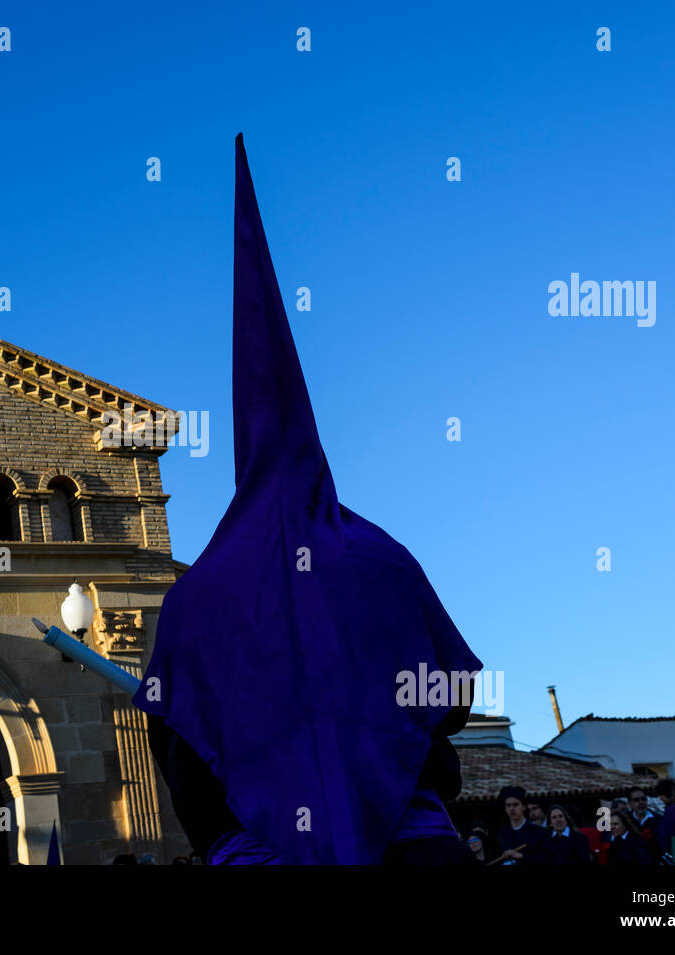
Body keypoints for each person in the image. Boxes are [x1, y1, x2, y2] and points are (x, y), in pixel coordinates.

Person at [133, 135, 483, 865]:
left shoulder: (194, 598)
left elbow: (172, 737)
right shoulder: (383, 560)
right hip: (413, 847)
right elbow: (450, 700)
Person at [495, 786, 546, 865]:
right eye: (508, 805)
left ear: (524, 807)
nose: (512, 808)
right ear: (505, 809)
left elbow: (545, 859)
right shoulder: (501, 834)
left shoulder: (539, 832)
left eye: (515, 805)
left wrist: (522, 856)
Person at [627, 786, 660, 860]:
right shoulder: (625, 820)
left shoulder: (658, 819)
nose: (641, 802)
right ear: (630, 803)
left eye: (643, 799)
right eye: (636, 800)